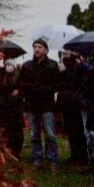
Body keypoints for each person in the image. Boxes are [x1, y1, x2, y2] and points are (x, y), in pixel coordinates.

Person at [16, 38, 61, 169]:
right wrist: (28, 89)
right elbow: (21, 83)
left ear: (46, 50)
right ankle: (37, 159)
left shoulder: (52, 65)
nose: (37, 49)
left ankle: (53, 159)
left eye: (40, 47)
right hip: (32, 105)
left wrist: (42, 88)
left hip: (47, 105)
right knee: (34, 134)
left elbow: (57, 85)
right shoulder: (27, 65)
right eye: (35, 46)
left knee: (50, 134)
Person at [58, 51, 89, 166]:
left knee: (78, 130)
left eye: (67, 53)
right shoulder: (62, 66)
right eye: (64, 53)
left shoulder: (79, 66)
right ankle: (74, 154)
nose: (65, 54)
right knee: (70, 130)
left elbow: (80, 82)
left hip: (75, 101)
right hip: (66, 101)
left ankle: (82, 156)